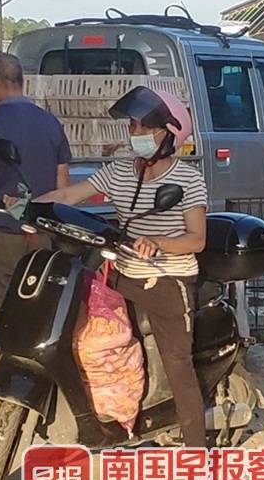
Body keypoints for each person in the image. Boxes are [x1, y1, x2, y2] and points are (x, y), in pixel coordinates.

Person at [35, 86, 208, 448]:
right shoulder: (119, 172)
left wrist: (157, 244)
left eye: (146, 128)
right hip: (119, 274)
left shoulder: (188, 179)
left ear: (170, 134)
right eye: (133, 127)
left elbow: (196, 240)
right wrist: (30, 206)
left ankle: (196, 453)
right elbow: (70, 195)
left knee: (179, 366)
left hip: (167, 280)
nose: (137, 135)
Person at [0, 54, 72, 381]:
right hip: (42, 227)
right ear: (21, 81)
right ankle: (34, 367)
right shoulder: (50, 123)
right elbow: (62, 179)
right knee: (37, 300)